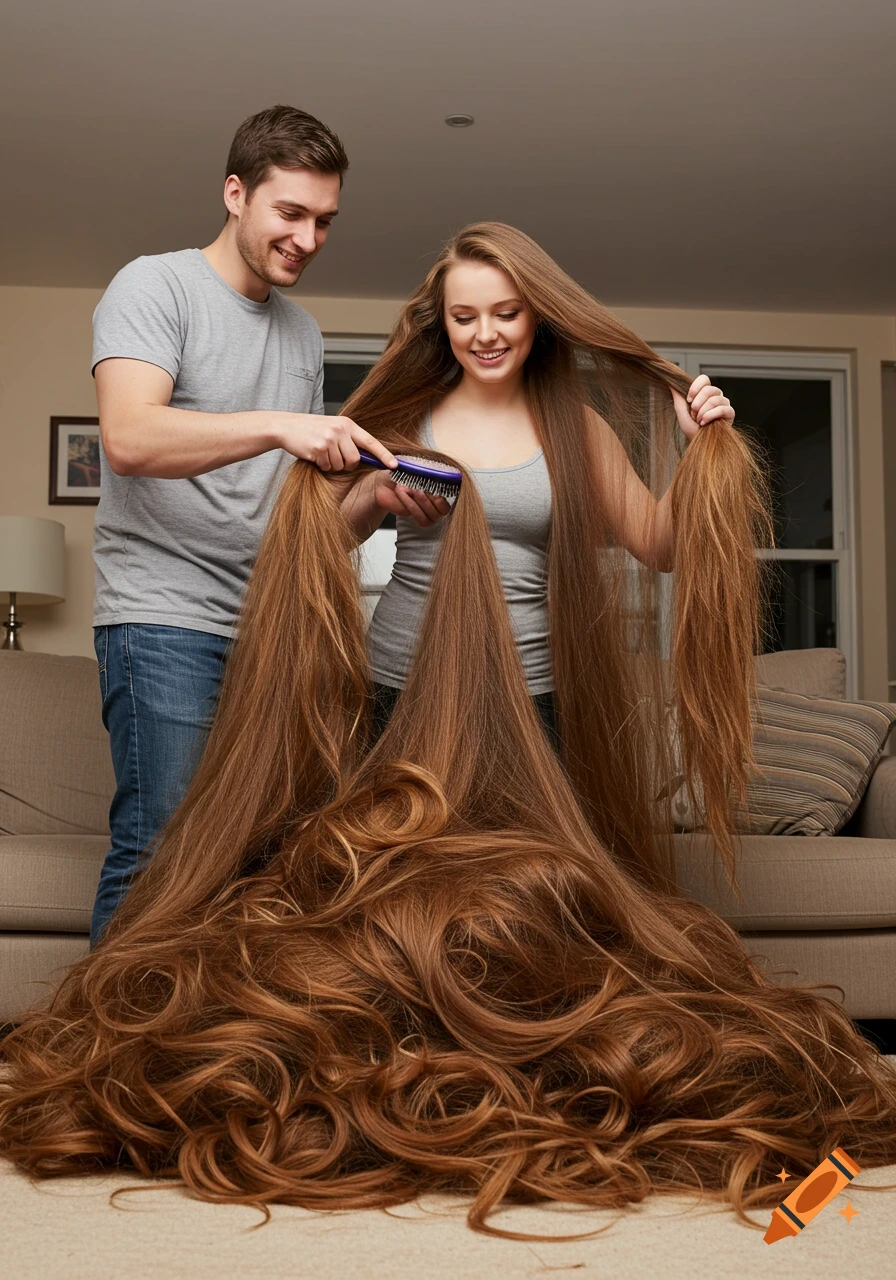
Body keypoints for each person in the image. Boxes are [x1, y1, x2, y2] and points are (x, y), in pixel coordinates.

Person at [5, 222, 896, 1239]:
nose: (486, 332)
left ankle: (515, 1084)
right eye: (465, 315)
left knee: (534, 914)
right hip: (401, 695)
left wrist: (700, 456)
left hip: (534, 705)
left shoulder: (576, 430)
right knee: (392, 911)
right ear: (442, 321)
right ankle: (404, 1085)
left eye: (505, 313)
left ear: (536, 318)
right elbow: (316, 534)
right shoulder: (404, 414)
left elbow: (659, 545)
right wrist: (377, 496)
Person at [88, 104, 397, 944]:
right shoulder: (154, 286)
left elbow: (306, 530)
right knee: (162, 851)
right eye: (290, 213)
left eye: (324, 220)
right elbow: (130, 438)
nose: (308, 238)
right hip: (163, 621)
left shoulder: (302, 333)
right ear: (236, 193)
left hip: (270, 628)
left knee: (250, 865)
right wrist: (279, 425)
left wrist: (375, 500)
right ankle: (99, 1031)